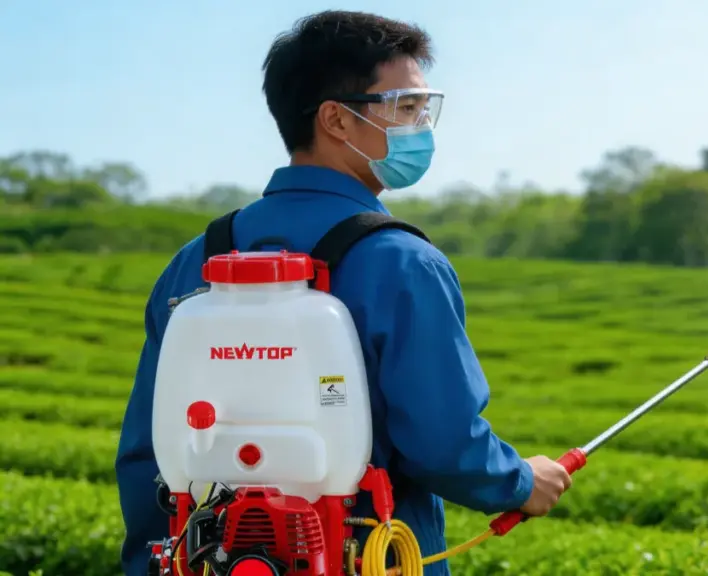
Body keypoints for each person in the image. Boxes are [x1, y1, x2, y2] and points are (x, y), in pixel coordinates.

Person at [114, 9, 573, 576]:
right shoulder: (404, 262)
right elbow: (442, 441)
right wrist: (521, 482)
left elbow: (146, 454)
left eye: (425, 109)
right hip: (367, 555)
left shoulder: (197, 262)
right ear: (336, 119)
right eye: (405, 107)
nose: (421, 125)